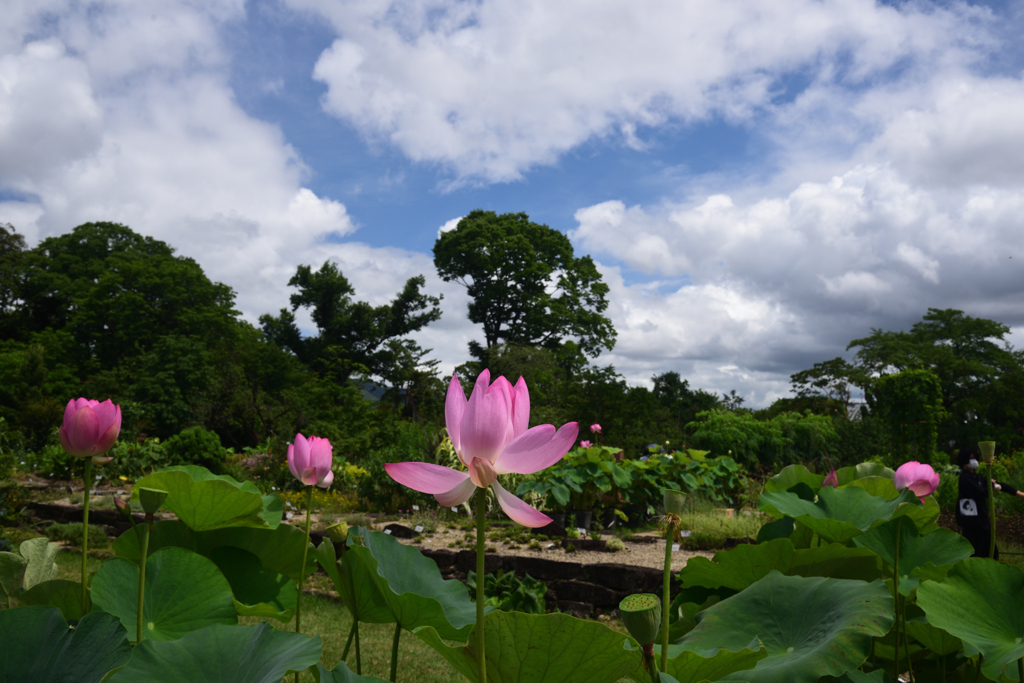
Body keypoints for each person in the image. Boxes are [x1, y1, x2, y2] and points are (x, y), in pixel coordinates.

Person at [956, 446, 1024, 559]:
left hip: (982, 522)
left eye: (975, 458)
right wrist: (991, 486)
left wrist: (1018, 493)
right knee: (976, 554)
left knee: (991, 553)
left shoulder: (977, 478)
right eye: (971, 458)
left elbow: (998, 484)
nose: (974, 461)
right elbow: (982, 492)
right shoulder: (965, 479)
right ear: (964, 461)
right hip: (972, 524)